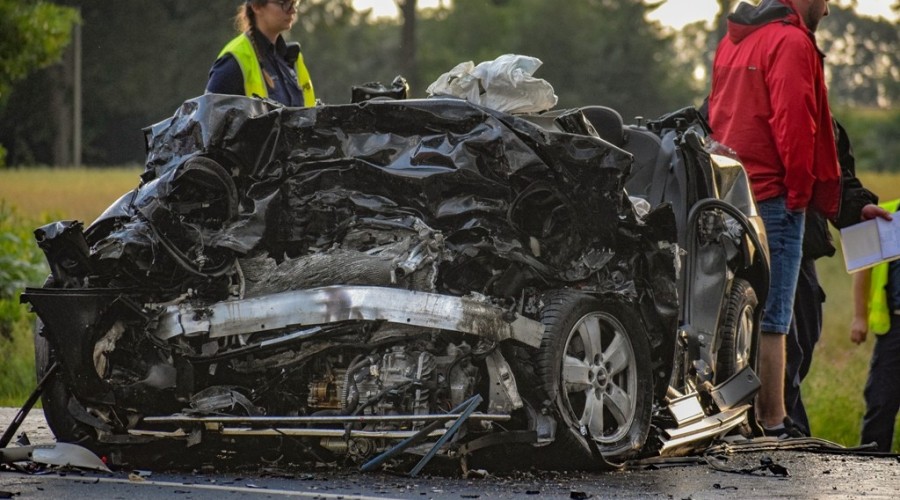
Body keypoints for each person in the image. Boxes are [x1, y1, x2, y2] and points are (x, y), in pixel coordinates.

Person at [707, 0, 841, 438]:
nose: (828, 7)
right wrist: (800, 193)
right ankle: (772, 420)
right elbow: (795, 121)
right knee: (775, 314)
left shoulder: (733, 38)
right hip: (775, 194)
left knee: (736, 305)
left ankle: (733, 417)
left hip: (730, 189)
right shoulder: (790, 41)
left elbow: (717, 114)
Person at [784, 120, 889, 437]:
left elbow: (835, 173)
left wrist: (857, 209)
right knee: (782, 349)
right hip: (743, 249)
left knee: (801, 344)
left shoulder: (819, 116)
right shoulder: (730, 99)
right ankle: (783, 429)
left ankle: (784, 428)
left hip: (801, 248)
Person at [851, 199, 899, 452]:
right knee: (880, 401)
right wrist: (859, 317)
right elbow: (863, 268)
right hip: (894, 328)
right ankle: (870, 468)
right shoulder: (884, 214)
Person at [206, 0, 315, 107]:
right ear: (256, 6)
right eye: (285, 3)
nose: (293, 10)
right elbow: (208, 120)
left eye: (294, 3)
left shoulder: (292, 59)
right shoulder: (234, 61)